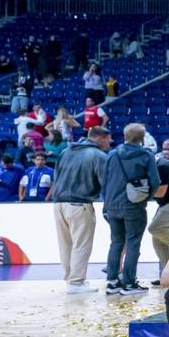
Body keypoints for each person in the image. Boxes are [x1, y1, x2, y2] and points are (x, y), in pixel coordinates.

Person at [101, 123, 162, 295]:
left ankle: (112, 282)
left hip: (112, 205)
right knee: (133, 243)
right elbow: (155, 182)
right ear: (142, 138)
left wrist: (106, 205)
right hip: (134, 206)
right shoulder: (146, 155)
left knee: (116, 243)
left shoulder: (112, 155)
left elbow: (105, 181)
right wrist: (146, 198)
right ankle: (129, 283)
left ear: (124, 136)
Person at [51, 126, 110, 293]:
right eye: (108, 138)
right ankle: (76, 283)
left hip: (58, 204)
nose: (110, 142)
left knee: (65, 244)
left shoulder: (66, 152)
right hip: (79, 204)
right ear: (100, 138)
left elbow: (57, 176)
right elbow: (106, 182)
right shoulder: (98, 155)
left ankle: (70, 279)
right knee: (81, 244)